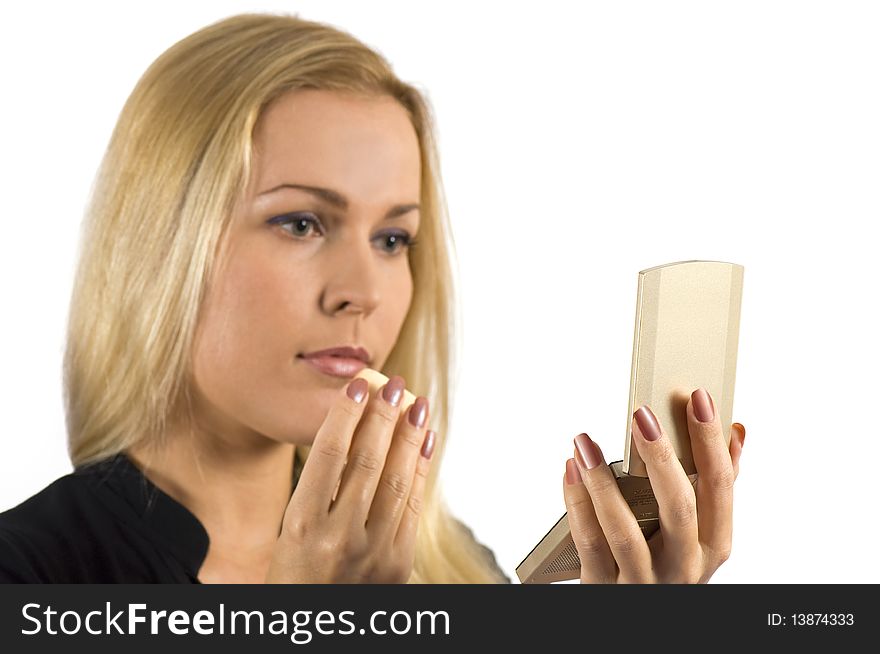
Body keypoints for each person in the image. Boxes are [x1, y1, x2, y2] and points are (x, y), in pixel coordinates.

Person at [0, 13, 746, 585]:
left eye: (393, 240)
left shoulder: (457, 570)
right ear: (161, 242)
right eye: (301, 222)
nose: (361, 293)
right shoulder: (28, 576)